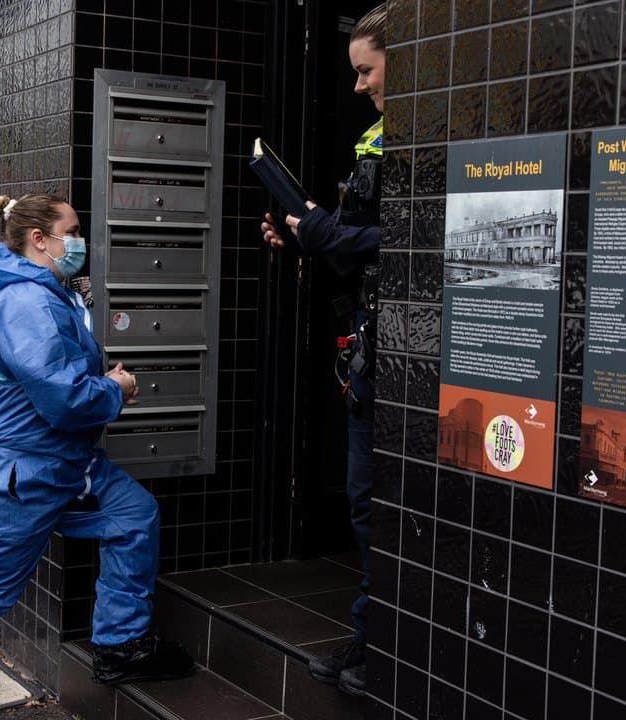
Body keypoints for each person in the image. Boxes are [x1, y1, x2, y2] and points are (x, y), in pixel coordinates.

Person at [0, 194, 193, 720]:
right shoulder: (26, 303)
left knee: (132, 516)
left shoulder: (41, 293)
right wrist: (116, 389)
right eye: (72, 231)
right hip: (18, 478)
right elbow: (65, 398)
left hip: (57, 467)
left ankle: (120, 644)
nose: (81, 242)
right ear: (40, 240)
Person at [259, 2, 386, 697]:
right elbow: (364, 248)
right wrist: (308, 236)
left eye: (366, 70)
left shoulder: (434, 136)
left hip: (411, 354)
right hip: (373, 348)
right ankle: (368, 641)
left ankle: (378, 646)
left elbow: (426, 243)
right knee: (364, 505)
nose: (359, 85)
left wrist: (329, 235)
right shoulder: (375, 139)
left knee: (380, 506)